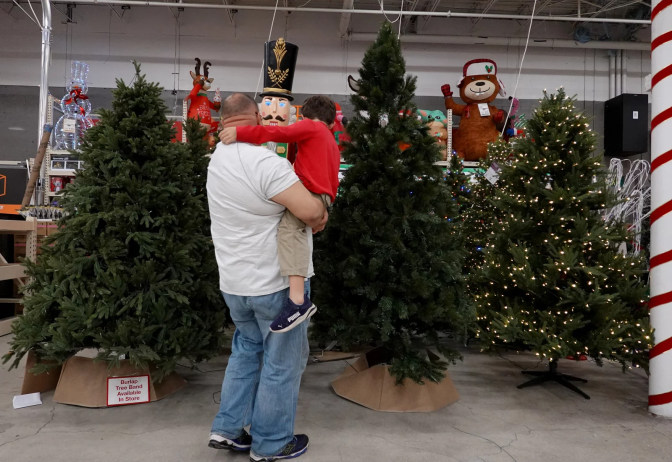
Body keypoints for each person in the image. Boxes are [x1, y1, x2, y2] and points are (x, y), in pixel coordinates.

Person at [207, 93, 327, 462]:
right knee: (282, 362)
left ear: (225, 121)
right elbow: (311, 213)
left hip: (234, 282)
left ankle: (228, 430)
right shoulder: (263, 162)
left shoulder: (216, 159)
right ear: (257, 117)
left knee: (246, 352)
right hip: (273, 283)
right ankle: (272, 443)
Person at [219, 95, 340, 334]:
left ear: (304, 117)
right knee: (297, 229)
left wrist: (240, 134)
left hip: (311, 191)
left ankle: (297, 301)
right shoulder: (330, 140)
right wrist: (322, 209)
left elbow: (279, 134)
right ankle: (298, 297)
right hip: (324, 195)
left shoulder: (310, 126)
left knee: (288, 230)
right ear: (333, 124)